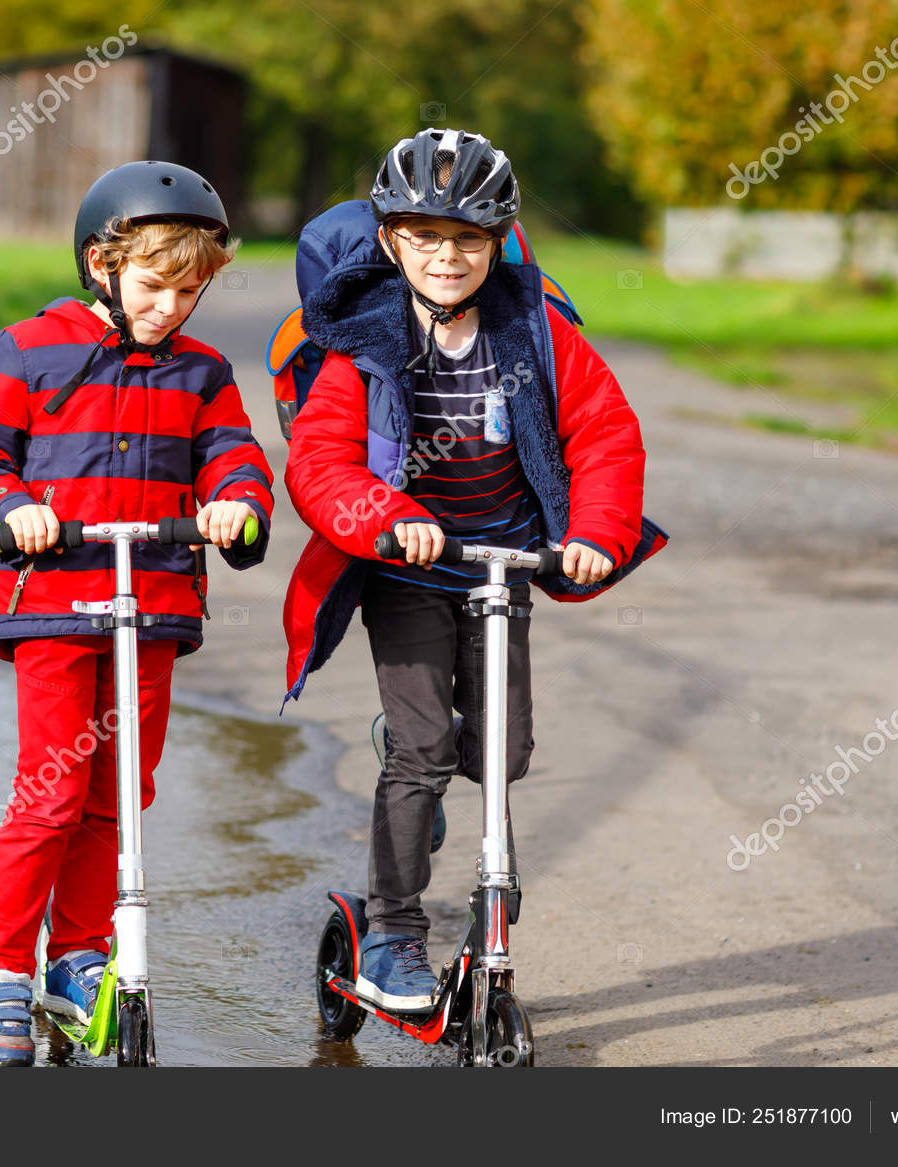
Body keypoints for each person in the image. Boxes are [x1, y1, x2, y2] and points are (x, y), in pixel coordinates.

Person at [281, 128, 647, 1013]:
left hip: (502, 563)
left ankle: (433, 773)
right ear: (389, 242)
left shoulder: (537, 333)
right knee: (423, 750)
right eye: (426, 237)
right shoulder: (364, 343)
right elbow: (321, 461)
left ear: (500, 242)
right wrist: (390, 517)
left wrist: (595, 530)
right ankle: (396, 933)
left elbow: (605, 436)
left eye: (469, 239)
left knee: (506, 754)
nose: (447, 256)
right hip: (408, 566)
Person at [0, 161, 274, 1065]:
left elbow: (233, 455)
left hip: (151, 606)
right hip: (52, 599)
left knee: (119, 792)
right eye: (156, 286)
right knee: (51, 791)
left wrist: (238, 504)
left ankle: (79, 954)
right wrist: (10, 509)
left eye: (189, 291)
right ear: (101, 263)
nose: (170, 308)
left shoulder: (201, 373)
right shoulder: (28, 348)